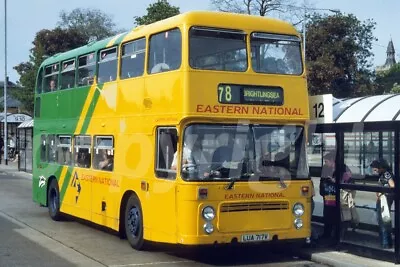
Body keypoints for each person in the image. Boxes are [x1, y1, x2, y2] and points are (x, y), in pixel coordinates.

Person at [319, 151, 352, 239]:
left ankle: (336, 236)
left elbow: (348, 181)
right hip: (328, 196)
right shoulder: (325, 169)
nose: (325, 163)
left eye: (327, 161)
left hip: (338, 197)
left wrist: (336, 181)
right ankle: (327, 234)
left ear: (332, 160)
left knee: (337, 216)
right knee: (327, 216)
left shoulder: (343, 168)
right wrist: (322, 192)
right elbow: (322, 181)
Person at [371, 158, 395, 249]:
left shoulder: (386, 174)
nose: (374, 170)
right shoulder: (384, 174)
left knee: (383, 221)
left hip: (384, 199)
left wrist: (383, 192)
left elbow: (392, 185)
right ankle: (386, 242)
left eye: (375, 168)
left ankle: (385, 243)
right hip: (383, 199)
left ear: (381, 167)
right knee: (384, 220)